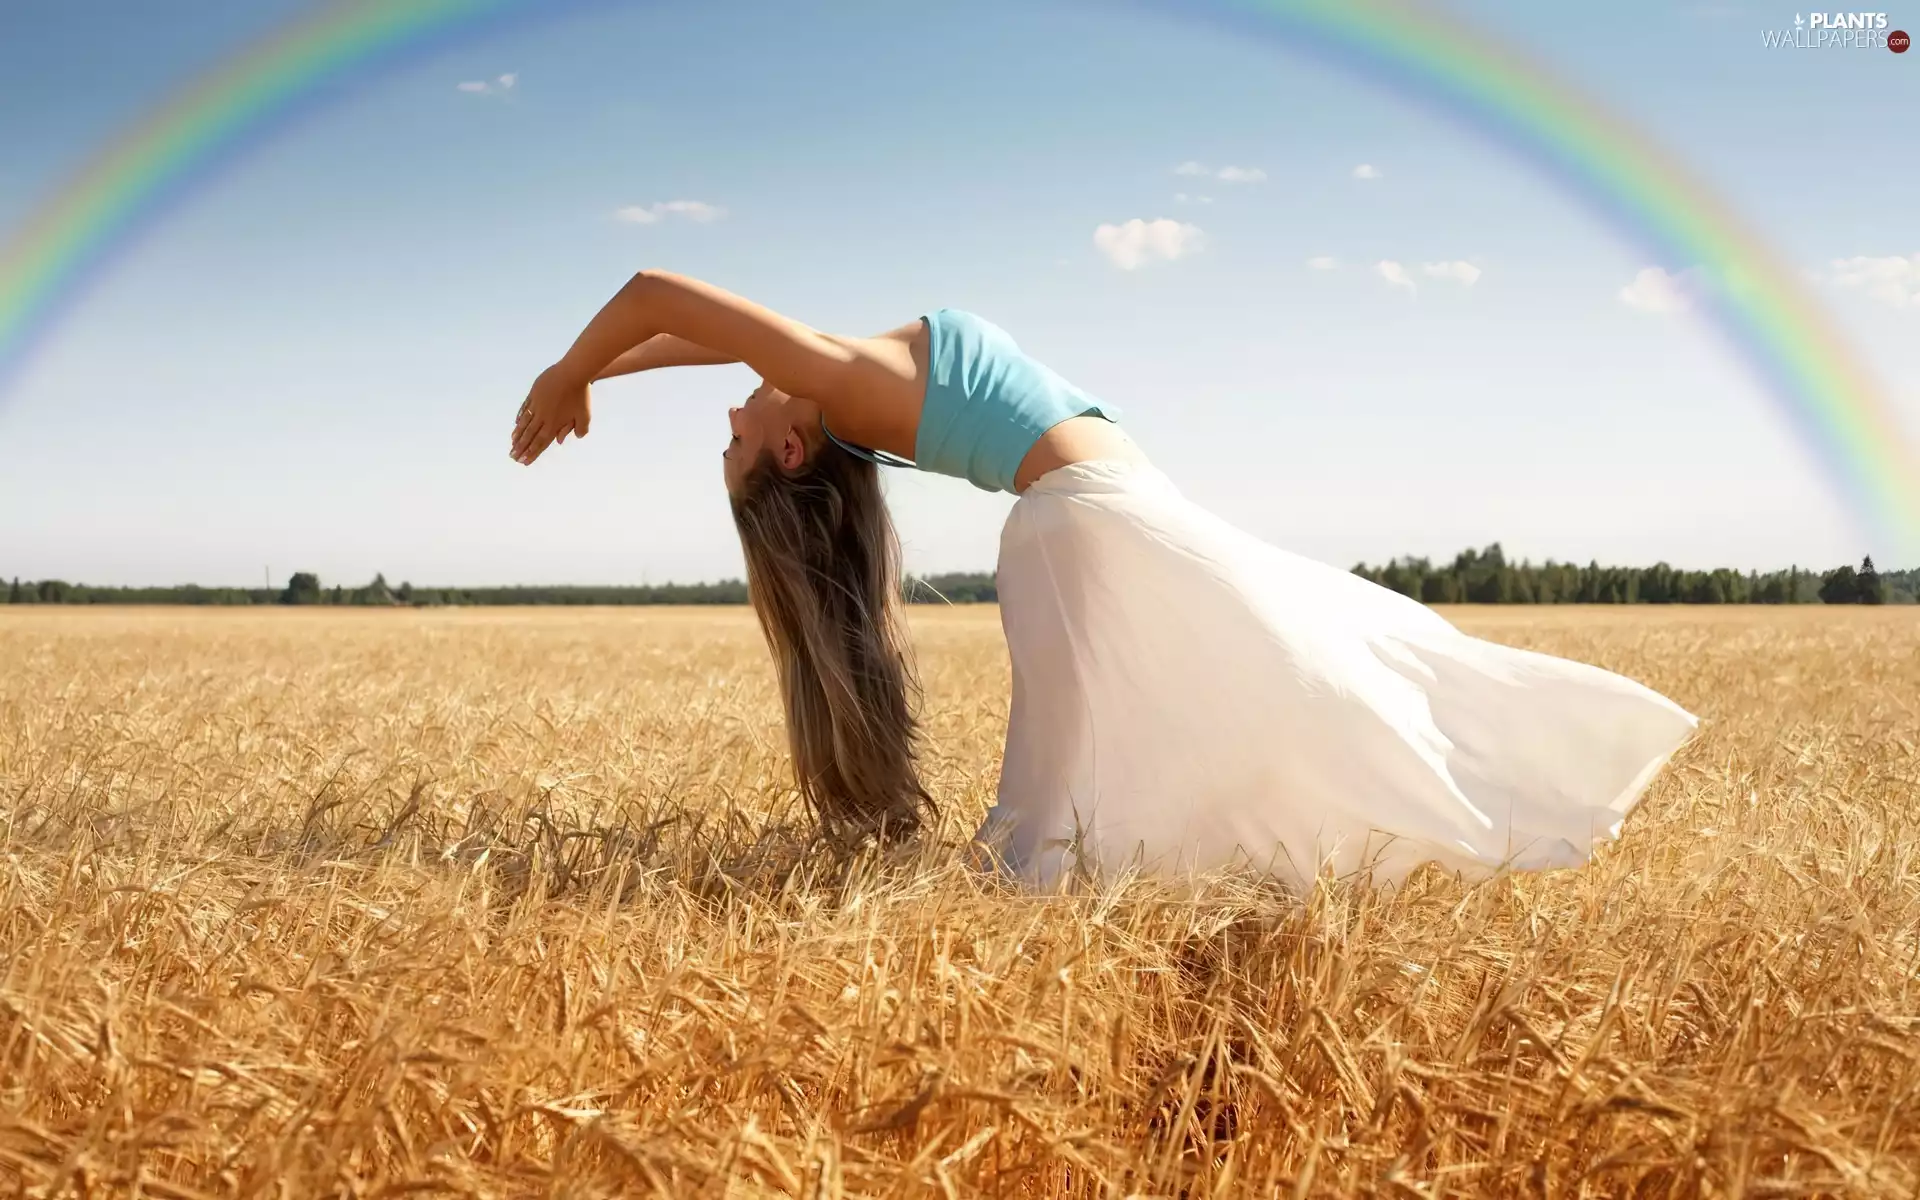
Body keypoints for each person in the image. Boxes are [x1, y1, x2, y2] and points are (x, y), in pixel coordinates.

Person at [510, 269, 1699, 889]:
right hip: (1092, 527)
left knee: (1308, 672)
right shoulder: (830, 374)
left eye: (727, 421)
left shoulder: (834, 374)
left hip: (1099, 520)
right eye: (736, 434)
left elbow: (689, 327)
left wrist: (594, 376)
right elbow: (662, 289)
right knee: (1299, 685)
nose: (730, 403)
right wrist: (574, 368)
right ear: (789, 449)